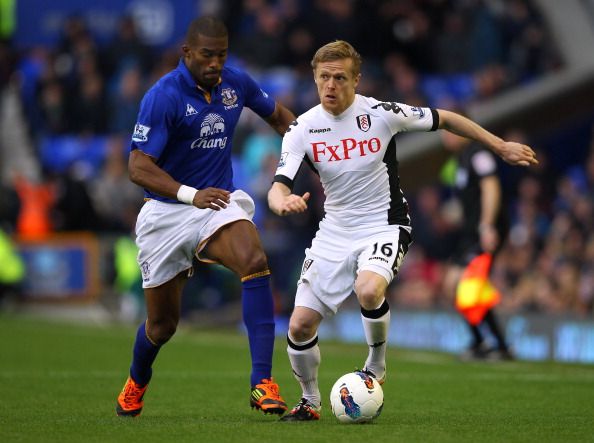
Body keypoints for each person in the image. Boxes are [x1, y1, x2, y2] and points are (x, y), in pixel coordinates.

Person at [267, 40, 537, 421]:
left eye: (340, 78)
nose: (330, 85)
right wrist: (281, 202)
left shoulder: (380, 113)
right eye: (323, 77)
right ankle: (309, 402)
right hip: (334, 232)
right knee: (298, 325)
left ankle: (376, 364)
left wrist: (499, 145)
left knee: (368, 287)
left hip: (385, 224)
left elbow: (447, 118)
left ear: (356, 80)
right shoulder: (302, 129)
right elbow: (279, 184)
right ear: (314, 79)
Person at [115, 16, 296, 417]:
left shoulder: (237, 84)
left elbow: (284, 120)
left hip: (216, 203)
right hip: (165, 212)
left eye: (222, 55)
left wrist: (318, 153)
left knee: (255, 260)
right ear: (187, 53)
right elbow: (138, 167)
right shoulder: (162, 96)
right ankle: (136, 381)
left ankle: (261, 382)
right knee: (162, 326)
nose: (215, 63)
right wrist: (189, 194)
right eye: (207, 55)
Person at [441, 130, 514, 360]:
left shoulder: (478, 154)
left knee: (468, 286)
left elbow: (491, 186)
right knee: (454, 286)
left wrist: (487, 225)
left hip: (486, 231)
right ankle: (483, 342)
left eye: (449, 130)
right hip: (471, 234)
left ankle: (498, 345)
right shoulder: (461, 159)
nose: (446, 136)